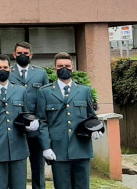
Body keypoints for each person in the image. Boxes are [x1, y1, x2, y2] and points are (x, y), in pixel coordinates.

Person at [36, 52, 104, 189]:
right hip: (58, 150)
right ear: (55, 69)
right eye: (60, 66)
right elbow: (42, 122)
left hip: (81, 148)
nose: (64, 68)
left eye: (67, 65)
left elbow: (91, 116)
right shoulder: (45, 92)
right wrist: (46, 147)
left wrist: (98, 129)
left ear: (72, 67)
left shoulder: (84, 91)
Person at [0, 55, 38, 189]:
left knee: (19, 186)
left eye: (5, 67)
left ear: (10, 69)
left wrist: (31, 125)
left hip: (18, 147)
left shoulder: (20, 90)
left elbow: (26, 116)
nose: (2, 70)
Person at [9, 42, 49, 189]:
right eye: (19, 53)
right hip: (16, 126)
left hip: (36, 127)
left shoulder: (41, 73)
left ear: (31, 55)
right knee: (16, 166)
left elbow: (45, 97)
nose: (22, 56)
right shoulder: (9, 72)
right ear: (14, 55)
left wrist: (40, 121)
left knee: (38, 166)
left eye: (26, 53)